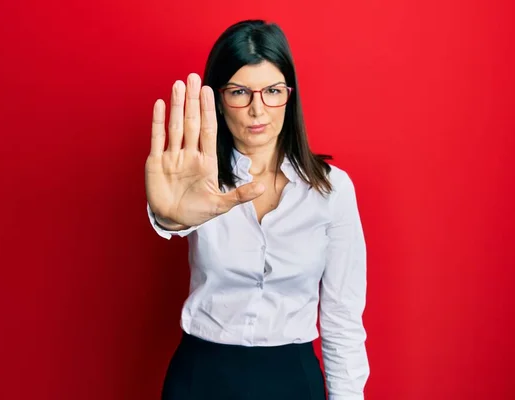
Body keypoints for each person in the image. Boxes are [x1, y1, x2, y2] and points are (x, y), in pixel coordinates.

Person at [145, 19, 369, 400]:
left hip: (293, 380)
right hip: (202, 377)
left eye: (272, 91)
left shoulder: (333, 191)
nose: (256, 109)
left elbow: (342, 319)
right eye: (239, 92)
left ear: (290, 95)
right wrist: (167, 216)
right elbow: (174, 220)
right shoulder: (197, 180)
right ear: (218, 98)